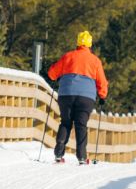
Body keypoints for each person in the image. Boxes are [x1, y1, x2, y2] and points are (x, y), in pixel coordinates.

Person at [46, 30, 108, 164]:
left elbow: (51, 74)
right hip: (86, 97)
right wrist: (102, 95)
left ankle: (58, 153)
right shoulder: (95, 61)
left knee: (66, 122)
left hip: (66, 94)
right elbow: (102, 81)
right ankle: (81, 156)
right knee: (81, 125)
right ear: (90, 44)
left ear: (78, 42)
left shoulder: (68, 56)